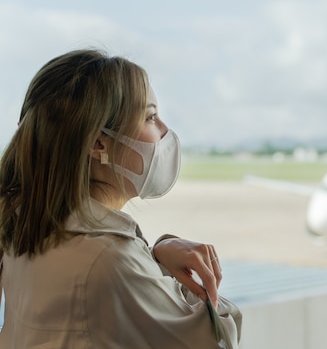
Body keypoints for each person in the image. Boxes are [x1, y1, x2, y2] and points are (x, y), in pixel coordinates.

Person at [0, 49, 242, 348]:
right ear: (98, 144)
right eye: (150, 117)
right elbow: (216, 339)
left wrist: (153, 259)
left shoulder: (24, 223)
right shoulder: (110, 260)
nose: (165, 131)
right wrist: (193, 286)